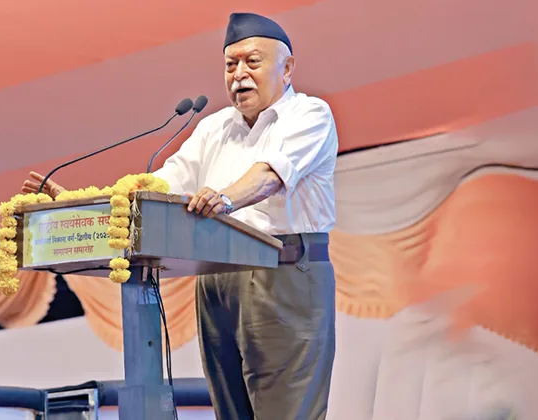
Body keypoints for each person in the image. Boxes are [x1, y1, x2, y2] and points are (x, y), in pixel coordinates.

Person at [23, 12, 338, 419]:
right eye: (230, 65)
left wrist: (224, 199)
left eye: (252, 62)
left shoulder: (309, 115)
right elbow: (157, 188)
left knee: (286, 410)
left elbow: (269, 176)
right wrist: (86, 205)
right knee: (230, 410)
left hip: (284, 274)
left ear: (287, 68)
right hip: (216, 274)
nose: (239, 74)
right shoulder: (213, 128)